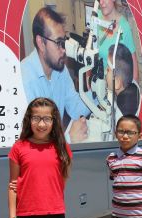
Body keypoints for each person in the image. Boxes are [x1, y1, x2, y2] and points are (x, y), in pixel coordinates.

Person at [8, 97, 72, 218]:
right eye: (36, 118)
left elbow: (62, 180)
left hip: (55, 214)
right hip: (27, 216)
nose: (41, 124)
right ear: (29, 119)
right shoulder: (19, 147)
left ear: (54, 121)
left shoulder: (62, 147)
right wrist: (13, 217)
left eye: (46, 119)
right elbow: (13, 185)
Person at [21, 7, 96, 143]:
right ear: (41, 43)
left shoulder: (60, 70)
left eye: (64, 42)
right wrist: (69, 139)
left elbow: (75, 109)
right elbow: (35, 145)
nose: (64, 50)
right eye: (58, 43)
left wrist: (98, 90)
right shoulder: (23, 80)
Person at [98, 0, 139, 82]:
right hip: (96, 82)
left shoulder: (124, 27)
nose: (101, 2)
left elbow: (135, 72)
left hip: (114, 86)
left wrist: (129, 93)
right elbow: (89, 52)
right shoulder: (96, 17)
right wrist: (88, 79)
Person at [106, 43, 140, 122]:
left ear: (117, 83)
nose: (105, 72)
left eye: (107, 70)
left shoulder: (120, 118)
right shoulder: (133, 84)